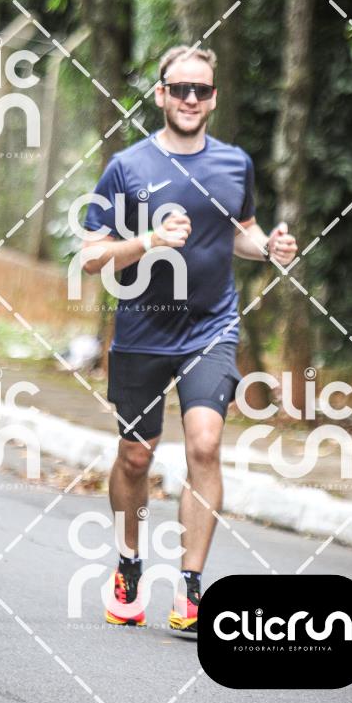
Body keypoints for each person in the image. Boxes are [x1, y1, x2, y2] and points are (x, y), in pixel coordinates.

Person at [81, 45, 298, 633]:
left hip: (211, 326)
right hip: (143, 331)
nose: (191, 99)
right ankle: (128, 562)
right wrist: (149, 241)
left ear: (214, 98)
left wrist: (269, 249)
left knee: (204, 445)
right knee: (136, 455)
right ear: (160, 95)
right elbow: (92, 257)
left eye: (201, 90)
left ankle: (192, 589)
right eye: (180, 89)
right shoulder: (127, 166)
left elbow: (241, 232)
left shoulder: (234, 163)